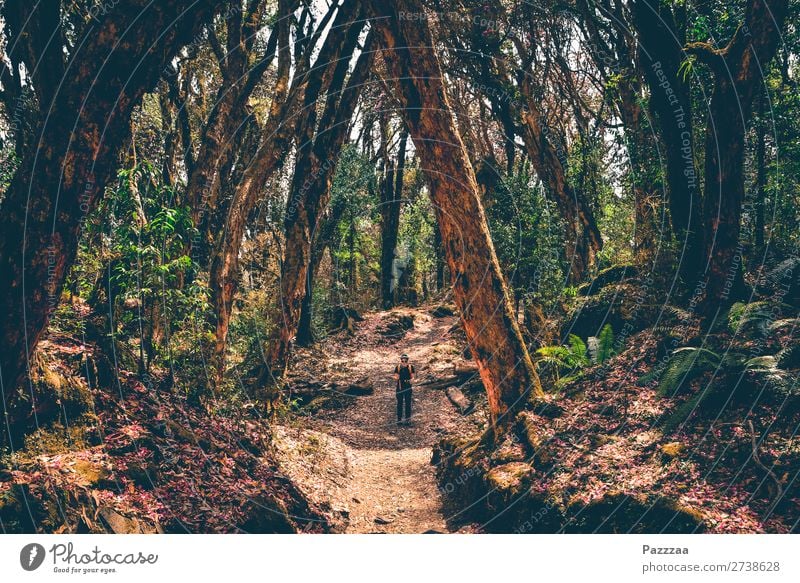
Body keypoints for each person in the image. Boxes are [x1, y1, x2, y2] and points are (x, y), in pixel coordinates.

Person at [393, 353, 415, 424]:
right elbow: (396, 377)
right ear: (401, 361)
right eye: (403, 361)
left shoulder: (411, 367)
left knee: (408, 403)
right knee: (400, 403)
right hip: (400, 387)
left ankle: (408, 419)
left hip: (408, 387)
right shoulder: (398, 367)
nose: (404, 362)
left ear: (407, 361)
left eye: (405, 361)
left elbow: (412, 377)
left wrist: (411, 380)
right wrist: (396, 378)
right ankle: (399, 419)